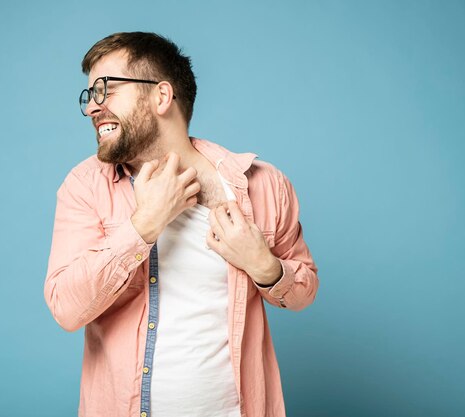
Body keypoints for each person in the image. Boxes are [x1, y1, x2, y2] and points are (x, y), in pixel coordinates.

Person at [44, 31, 319, 417]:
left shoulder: (263, 185)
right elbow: (66, 309)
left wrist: (264, 266)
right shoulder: (86, 187)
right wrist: (144, 225)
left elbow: (304, 291)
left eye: (106, 89)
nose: (92, 107)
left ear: (161, 96)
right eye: (89, 95)